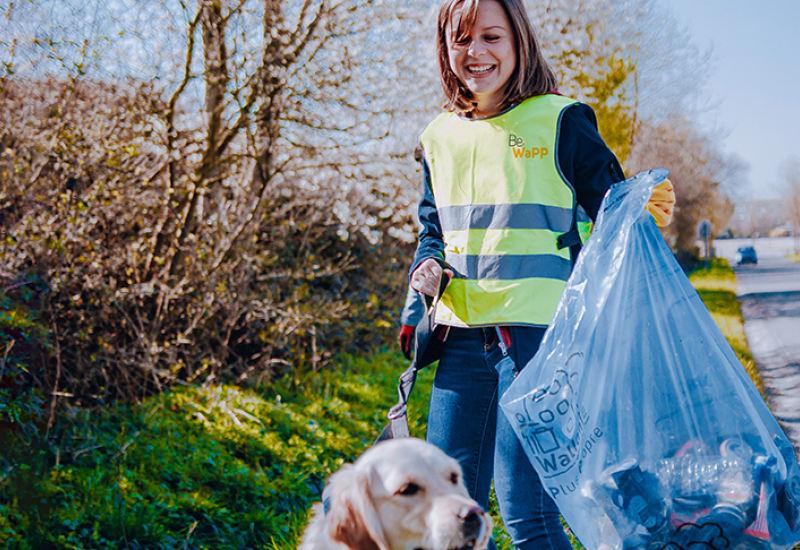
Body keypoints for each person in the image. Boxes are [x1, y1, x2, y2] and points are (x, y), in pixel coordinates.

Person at [407, 1, 675, 549]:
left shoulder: (561, 118)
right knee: (448, 517)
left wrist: (637, 206)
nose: (476, 52)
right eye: (461, 39)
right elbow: (432, 227)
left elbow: (613, 213)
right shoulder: (438, 136)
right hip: (459, 342)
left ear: (519, 42)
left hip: (540, 345)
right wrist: (426, 263)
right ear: (445, 48)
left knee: (528, 513)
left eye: (491, 37)